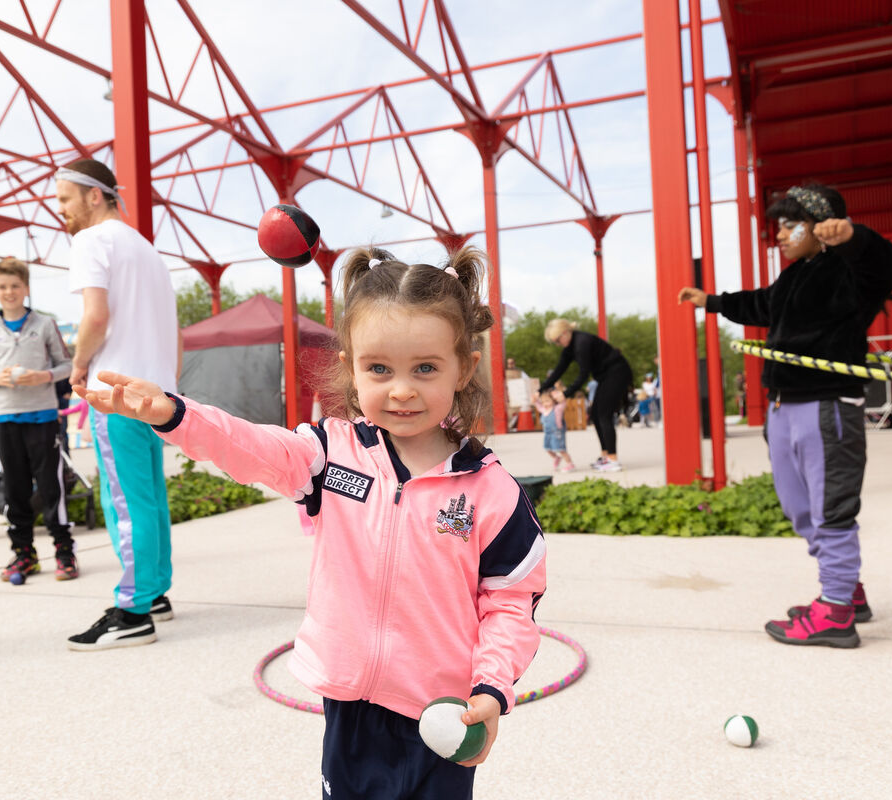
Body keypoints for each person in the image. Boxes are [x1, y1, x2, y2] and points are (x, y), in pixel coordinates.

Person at [75, 246, 546, 798]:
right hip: (348, 698)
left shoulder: (491, 492)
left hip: (442, 711)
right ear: (350, 367)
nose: (400, 389)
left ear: (463, 367)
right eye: (378, 368)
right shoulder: (330, 455)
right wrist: (176, 414)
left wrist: (491, 688)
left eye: (425, 367)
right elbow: (250, 446)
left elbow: (510, 605)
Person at [678, 183, 892, 648]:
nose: (779, 235)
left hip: (827, 407)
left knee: (831, 512)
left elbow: (889, 265)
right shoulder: (796, 274)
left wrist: (853, 237)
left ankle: (837, 614)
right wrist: (712, 302)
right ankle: (845, 591)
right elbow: (761, 304)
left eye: (789, 225)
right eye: (777, 226)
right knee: (800, 509)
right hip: (785, 405)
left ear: (821, 228)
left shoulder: (848, 270)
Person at [59, 158, 180, 649]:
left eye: (65, 198)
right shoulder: (148, 251)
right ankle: (153, 594)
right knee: (149, 494)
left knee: (125, 500)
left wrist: (78, 365)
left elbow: (95, 317)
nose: (60, 209)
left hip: (116, 390)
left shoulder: (90, 241)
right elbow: (177, 333)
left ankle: (132, 609)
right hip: (157, 392)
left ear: (94, 196)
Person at [0, 257, 78, 583]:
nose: (9, 292)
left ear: (26, 288)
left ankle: (64, 551)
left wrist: (44, 376)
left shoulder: (45, 324)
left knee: (50, 486)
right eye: (2, 287)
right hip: (6, 417)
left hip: (43, 415)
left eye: (15, 286)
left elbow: (67, 366)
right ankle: (24, 554)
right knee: (15, 489)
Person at [540, 319, 633, 472]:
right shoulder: (569, 347)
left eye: (557, 340)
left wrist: (566, 393)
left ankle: (613, 459)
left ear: (565, 333)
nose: (558, 344)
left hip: (617, 373)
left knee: (603, 414)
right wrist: (541, 389)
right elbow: (559, 370)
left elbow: (583, 374)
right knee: (596, 415)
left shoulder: (582, 342)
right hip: (605, 377)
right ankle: (606, 456)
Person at [535, 384, 574, 471]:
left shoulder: (557, 409)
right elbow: (538, 405)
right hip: (547, 433)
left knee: (561, 449)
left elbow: (563, 403)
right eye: (543, 401)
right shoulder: (544, 409)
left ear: (553, 401)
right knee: (547, 448)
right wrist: (535, 399)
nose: (545, 403)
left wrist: (558, 395)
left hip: (557, 432)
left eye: (548, 401)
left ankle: (570, 464)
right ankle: (556, 458)